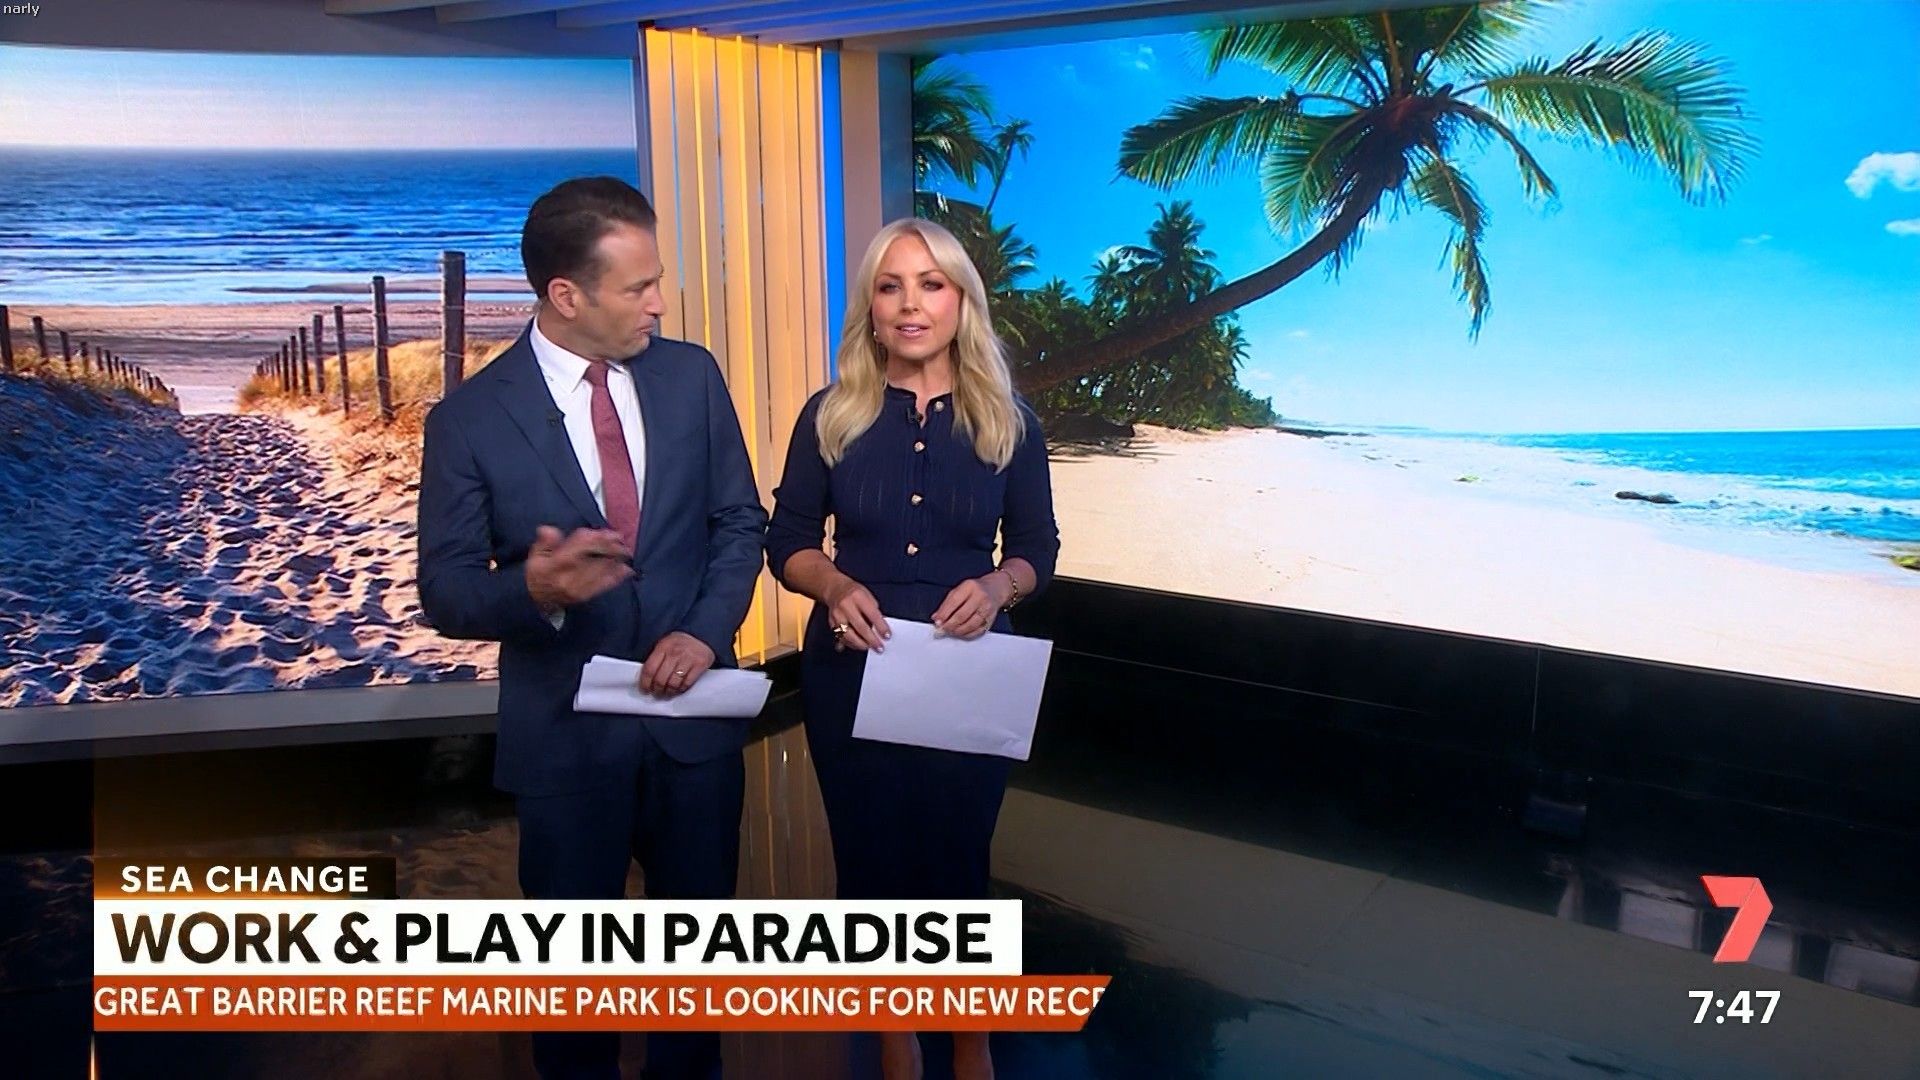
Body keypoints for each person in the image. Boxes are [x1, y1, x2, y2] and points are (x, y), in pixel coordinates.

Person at [416, 176, 766, 1080]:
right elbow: (446, 593)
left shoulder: (691, 377)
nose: (659, 304)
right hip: (567, 748)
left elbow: (738, 523)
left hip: (693, 738)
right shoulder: (469, 422)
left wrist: (705, 632)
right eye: (638, 287)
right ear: (566, 296)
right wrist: (534, 589)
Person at [765, 218, 1059, 1080]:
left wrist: (1000, 587)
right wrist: (832, 586)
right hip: (852, 670)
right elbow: (787, 540)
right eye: (890, 286)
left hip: (971, 673)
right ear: (871, 304)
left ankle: (971, 1042)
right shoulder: (832, 415)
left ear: (962, 299)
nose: (910, 303)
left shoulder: (1008, 422)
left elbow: (1037, 548)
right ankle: (896, 1040)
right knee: (870, 865)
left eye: (931, 284)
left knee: (958, 864)